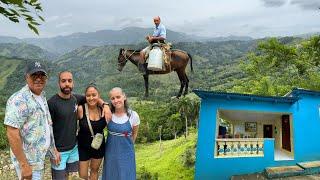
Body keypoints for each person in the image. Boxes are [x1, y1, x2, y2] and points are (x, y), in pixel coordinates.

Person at [48, 71, 111, 180]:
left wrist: (104, 105)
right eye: (63, 81)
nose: (67, 84)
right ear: (59, 83)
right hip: (59, 151)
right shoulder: (52, 103)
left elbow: (92, 98)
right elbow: (47, 128)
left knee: (74, 177)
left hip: (73, 149)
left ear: (73, 83)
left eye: (69, 81)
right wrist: (52, 149)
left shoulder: (75, 98)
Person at [4, 61, 60, 180]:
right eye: (34, 75)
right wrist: (24, 165)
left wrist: (53, 149)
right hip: (29, 162)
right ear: (26, 77)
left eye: (42, 75)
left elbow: (46, 125)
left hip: (38, 159)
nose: (38, 79)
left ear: (46, 78)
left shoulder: (41, 95)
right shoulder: (19, 100)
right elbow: (12, 133)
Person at [102, 87, 140, 180]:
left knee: (126, 176)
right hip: (110, 153)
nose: (116, 100)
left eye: (118, 97)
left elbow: (134, 134)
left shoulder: (133, 115)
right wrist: (105, 105)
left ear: (124, 97)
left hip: (127, 154)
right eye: (113, 98)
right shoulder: (108, 114)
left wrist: (127, 147)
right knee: (111, 175)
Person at [77, 84, 107, 180]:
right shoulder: (81, 109)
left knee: (94, 171)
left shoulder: (104, 110)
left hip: (98, 145)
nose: (91, 98)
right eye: (88, 95)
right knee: (83, 176)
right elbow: (71, 123)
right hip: (83, 147)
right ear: (85, 96)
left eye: (94, 95)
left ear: (99, 95)